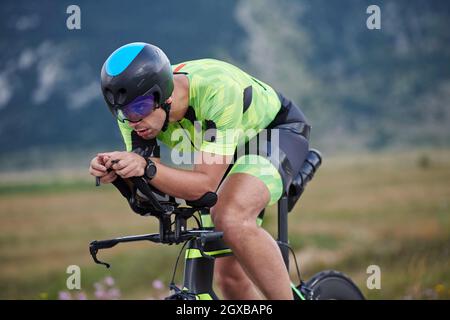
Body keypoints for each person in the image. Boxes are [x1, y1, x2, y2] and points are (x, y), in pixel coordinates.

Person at [89, 42, 310, 300]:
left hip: (270, 134)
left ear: (165, 95)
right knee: (230, 279)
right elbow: (150, 193)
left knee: (230, 217)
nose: (133, 121)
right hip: (220, 152)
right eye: (123, 112)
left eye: (139, 108)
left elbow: (203, 186)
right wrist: (120, 176)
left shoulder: (217, 90)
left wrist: (146, 168)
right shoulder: (133, 116)